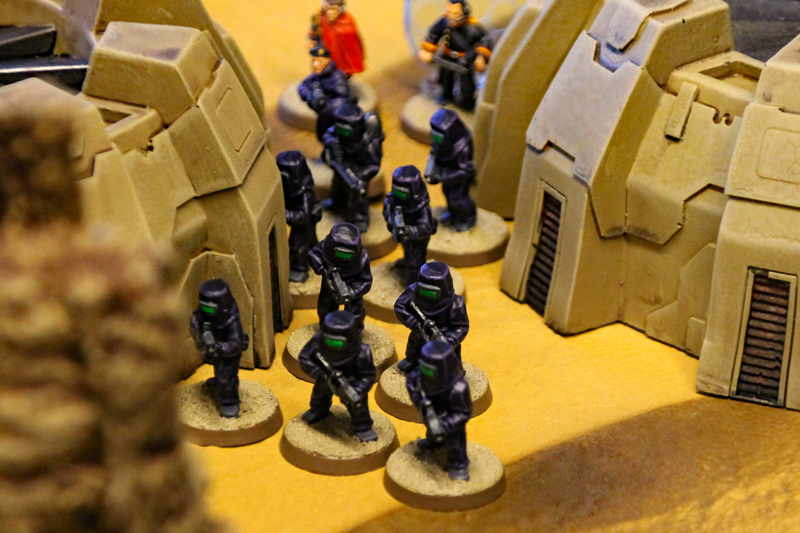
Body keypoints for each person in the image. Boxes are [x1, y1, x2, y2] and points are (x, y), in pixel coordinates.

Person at [299, 310, 378, 442]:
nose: (334, 346)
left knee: (358, 406)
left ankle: (363, 427)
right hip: (325, 377)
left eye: (338, 343)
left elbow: (369, 375)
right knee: (319, 395)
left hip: (351, 382)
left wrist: (358, 389)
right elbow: (304, 358)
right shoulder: (317, 341)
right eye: (330, 341)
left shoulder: (363, 352)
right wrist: (319, 373)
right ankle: (318, 410)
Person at [406, 340, 472, 480]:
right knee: (431, 428)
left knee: (455, 440)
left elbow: (463, 413)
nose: (425, 374)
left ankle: (458, 465)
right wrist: (419, 401)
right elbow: (411, 382)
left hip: (450, 419)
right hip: (431, 408)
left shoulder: (458, 389)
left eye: (430, 371)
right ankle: (433, 442)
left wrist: (444, 425)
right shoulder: (419, 376)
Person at [417, 0, 493, 110]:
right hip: (447, 55)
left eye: (456, 14)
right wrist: (429, 49)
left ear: (464, 12)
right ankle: (446, 96)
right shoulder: (444, 22)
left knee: (467, 85)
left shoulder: (473, 27)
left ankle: (468, 102)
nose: (451, 17)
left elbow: (485, 40)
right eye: (449, 12)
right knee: (446, 79)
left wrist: (481, 57)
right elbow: (434, 34)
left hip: (465, 59)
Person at [190, 279, 249, 418]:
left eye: (210, 309)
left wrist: (219, 347)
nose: (207, 312)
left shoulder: (231, 321)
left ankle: (230, 402)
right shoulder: (202, 314)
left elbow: (236, 344)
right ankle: (218, 381)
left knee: (227, 377)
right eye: (204, 308)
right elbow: (197, 318)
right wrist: (196, 328)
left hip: (228, 353)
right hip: (213, 348)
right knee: (219, 370)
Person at [394, 261, 468, 372]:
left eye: (432, 293)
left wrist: (449, 340)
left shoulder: (456, 303)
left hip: (444, 335)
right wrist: (415, 324)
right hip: (420, 329)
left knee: (451, 361)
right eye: (424, 291)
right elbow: (400, 306)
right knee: (414, 344)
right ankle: (412, 359)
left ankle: (454, 372)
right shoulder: (413, 291)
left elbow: (461, 327)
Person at [322, 103, 384, 232]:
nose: (342, 134)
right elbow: (327, 134)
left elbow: (374, 165)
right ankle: (337, 203)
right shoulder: (335, 131)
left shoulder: (368, 142)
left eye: (346, 131)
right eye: (340, 130)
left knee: (359, 198)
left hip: (358, 172)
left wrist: (361, 175)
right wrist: (332, 143)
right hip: (340, 165)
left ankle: (361, 219)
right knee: (337, 187)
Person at [308, 222, 373, 332]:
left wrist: (351, 292)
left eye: (347, 254)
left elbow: (366, 281)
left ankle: (354, 332)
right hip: (329, 282)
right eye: (339, 253)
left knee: (355, 313)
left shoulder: (362, 258)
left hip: (352, 287)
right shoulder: (325, 246)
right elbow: (312, 255)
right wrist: (321, 268)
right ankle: (326, 329)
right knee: (325, 308)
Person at [383, 165, 437, 285]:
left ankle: (414, 280)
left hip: (418, 236)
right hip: (403, 232)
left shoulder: (422, 206)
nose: (399, 196)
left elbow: (426, 227)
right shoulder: (392, 199)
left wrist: (411, 231)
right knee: (407, 249)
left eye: (402, 194)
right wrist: (391, 220)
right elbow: (387, 208)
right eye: (396, 191)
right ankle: (407, 261)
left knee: (416, 257)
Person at [425, 108, 477, 231]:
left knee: (457, 198)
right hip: (447, 172)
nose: (435, 140)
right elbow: (436, 152)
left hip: (459, 176)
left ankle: (467, 218)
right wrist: (433, 167)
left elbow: (463, 171)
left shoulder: (462, 148)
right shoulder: (441, 141)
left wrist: (443, 177)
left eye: (438, 138)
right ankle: (453, 213)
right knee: (447, 193)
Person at [277, 151, 322, 283]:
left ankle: (300, 269)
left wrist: (286, 215)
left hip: (304, 223)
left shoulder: (305, 194)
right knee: (311, 240)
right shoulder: (289, 189)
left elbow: (304, 215)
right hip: (302, 220)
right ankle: (318, 255)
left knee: (297, 245)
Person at [297, 45, 353, 141]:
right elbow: (302, 86)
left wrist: (327, 106)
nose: (315, 64)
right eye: (314, 60)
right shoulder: (316, 75)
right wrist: (310, 96)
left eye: (320, 61)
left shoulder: (337, 77)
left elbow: (344, 98)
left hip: (331, 115)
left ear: (327, 61)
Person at [309, 0, 365, 76]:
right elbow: (314, 33)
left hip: (342, 60)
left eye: (334, 9)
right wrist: (312, 39)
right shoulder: (321, 19)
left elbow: (352, 43)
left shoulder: (347, 21)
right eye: (329, 9)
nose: (331, 12)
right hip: (326, 56)